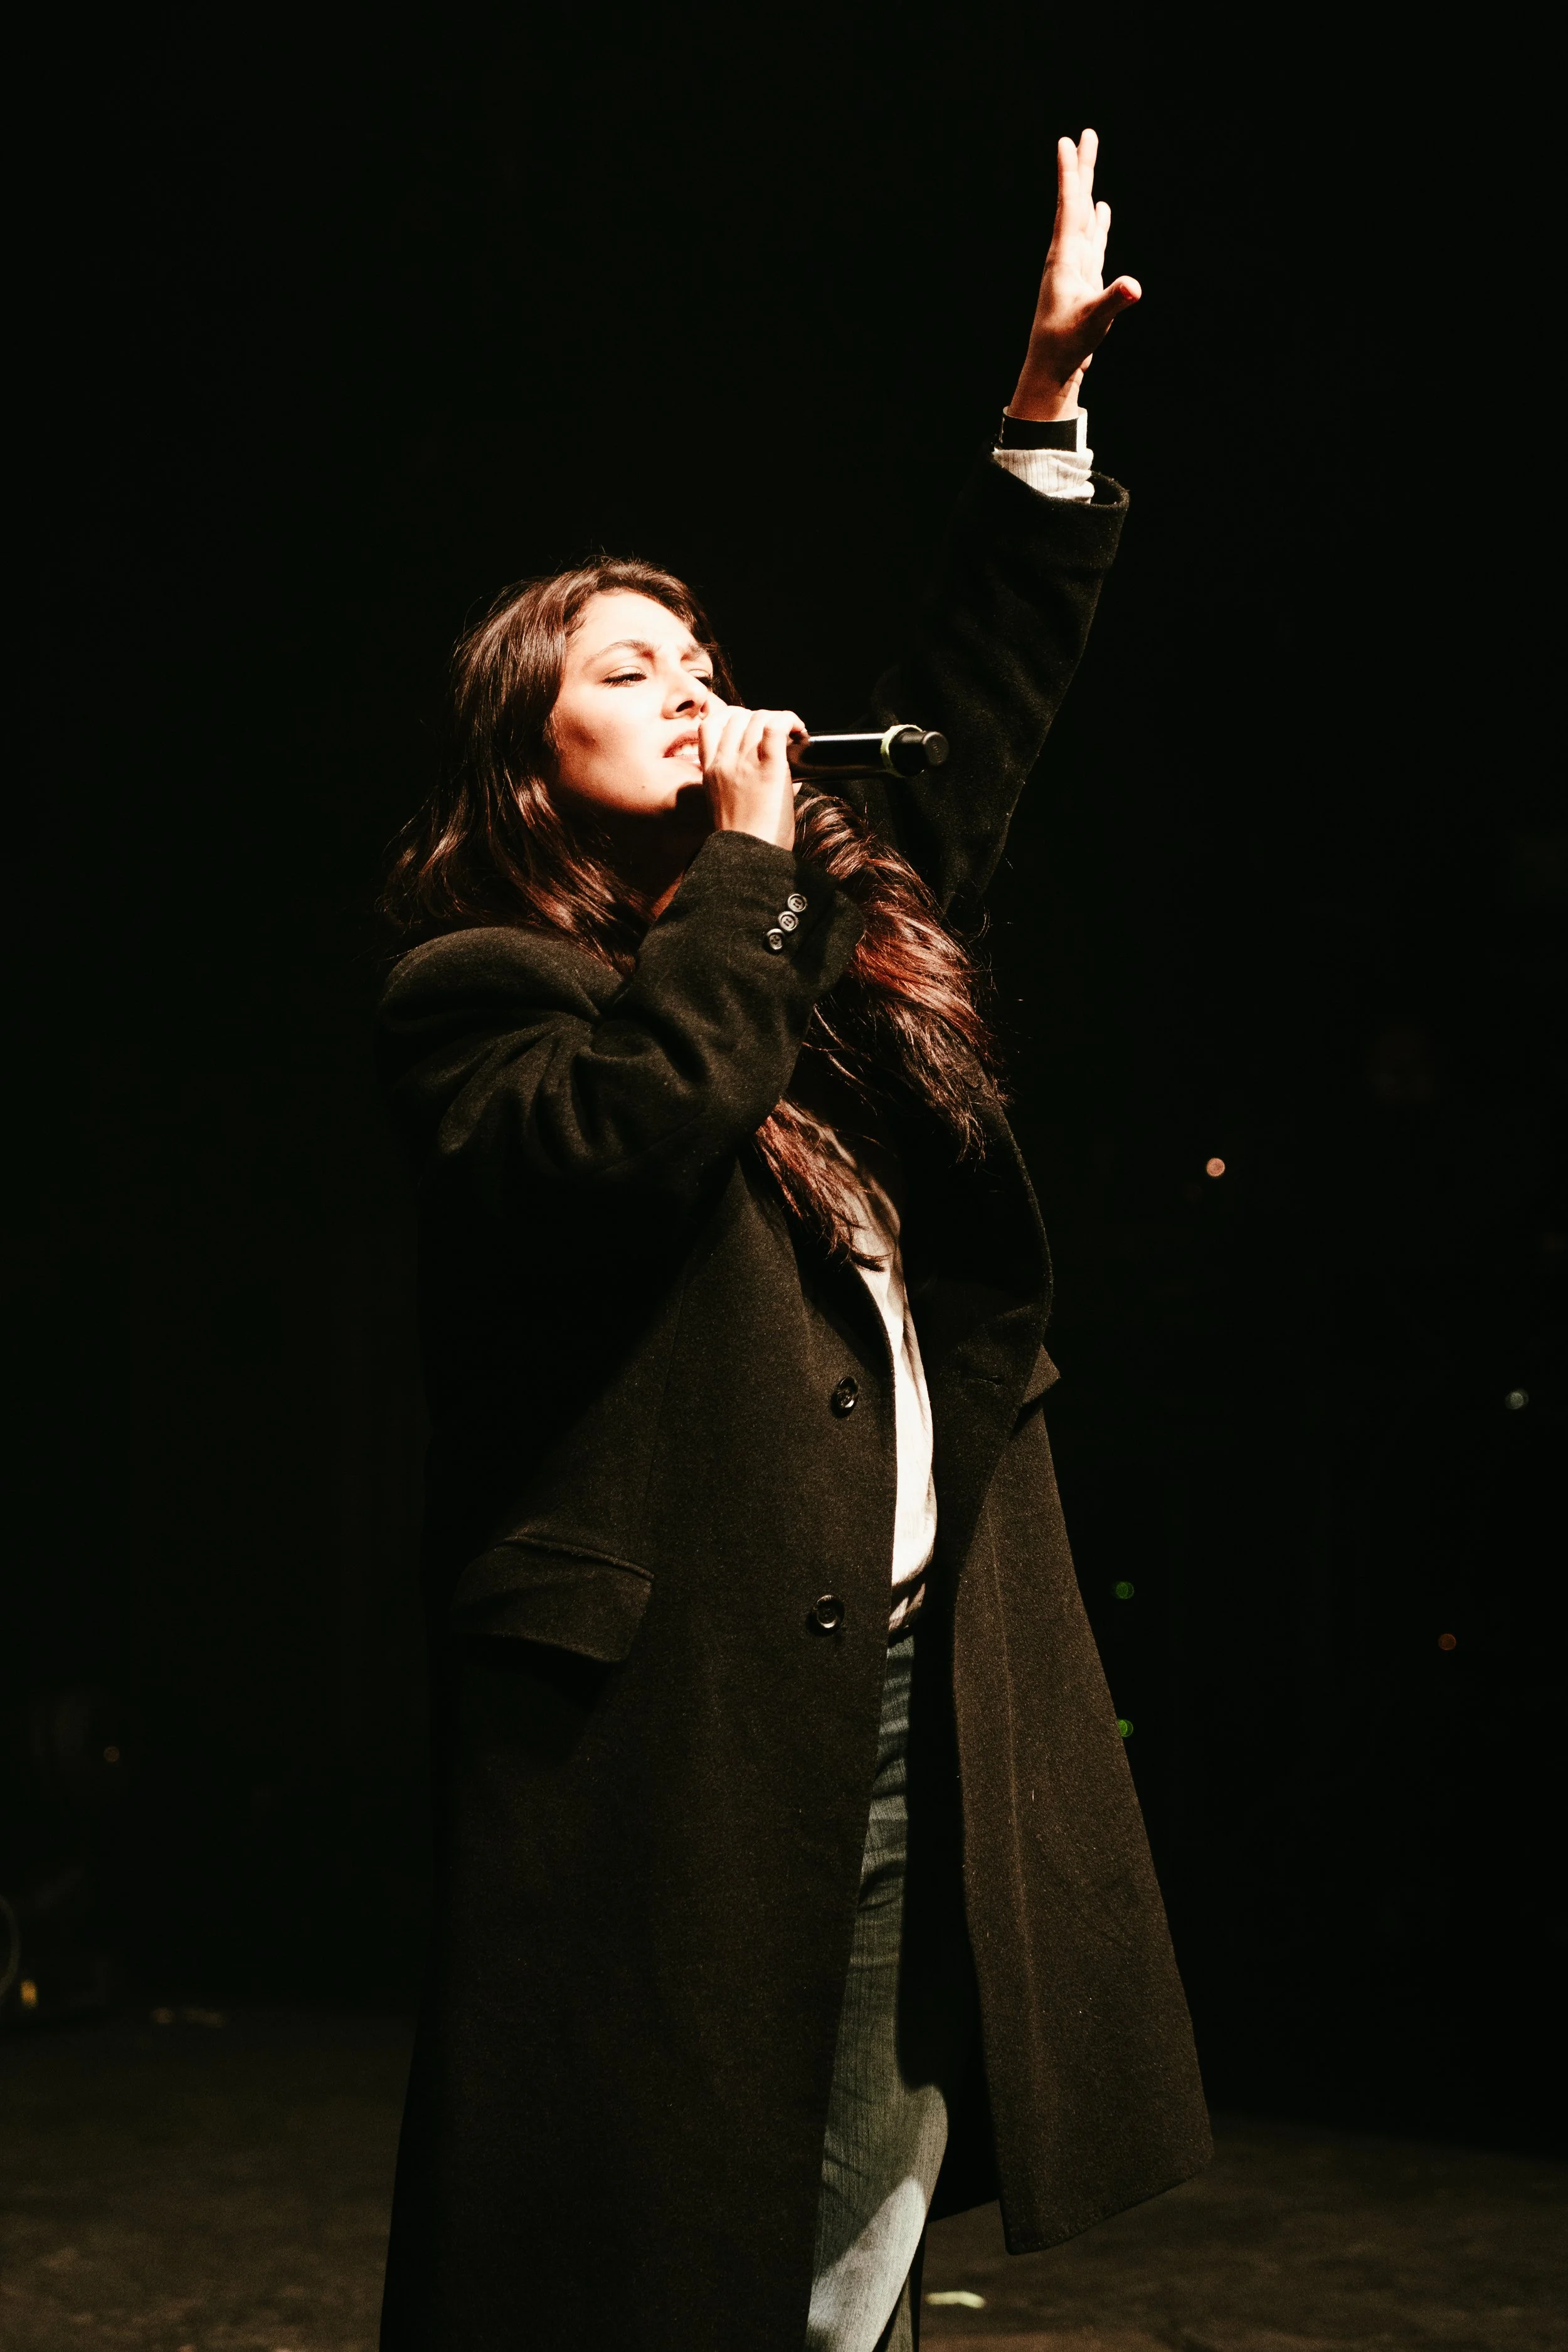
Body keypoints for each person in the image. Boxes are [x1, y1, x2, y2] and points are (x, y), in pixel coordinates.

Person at [374, 129, 1209, 2352]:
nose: (691, 685)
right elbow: (624, 1138)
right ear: (527, 755)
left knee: (863, 2201)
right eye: (626, 667)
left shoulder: (798, 946)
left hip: (906, 1667)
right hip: (679, 1719)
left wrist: (1039, 407)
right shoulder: (482, 991)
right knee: (663, 2237)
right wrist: (744, 881)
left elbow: (975, 721)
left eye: (700, 655)